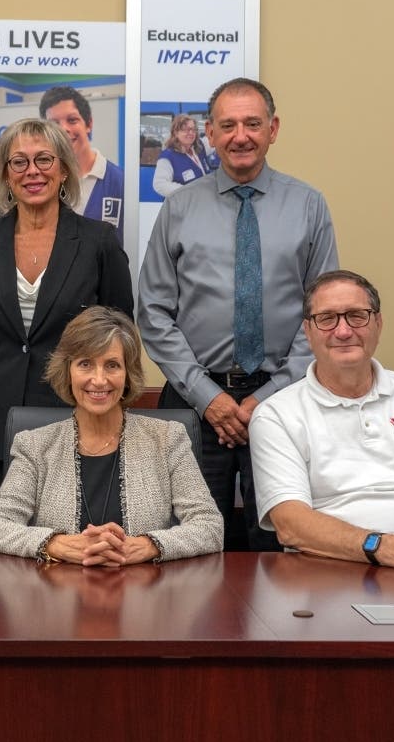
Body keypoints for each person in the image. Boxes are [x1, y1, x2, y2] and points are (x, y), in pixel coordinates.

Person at [138, 77, 339, 552]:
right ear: (210, 132)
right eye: (227, 125)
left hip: (286, 402)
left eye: (252, 123)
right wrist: (209, 398)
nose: (240, 135)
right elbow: (153, 311)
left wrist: (266, 398)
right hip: (193, 401)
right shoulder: (179, 207)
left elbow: (325, 312)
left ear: (273, 128)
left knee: (282, 547)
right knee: (184, 548)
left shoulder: (308, 205)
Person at [0, 118, 134, 551]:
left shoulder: (98, 242)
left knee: (68, 558)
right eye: (19, 162)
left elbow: (118, 331)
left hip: (72, 425)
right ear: (6, 176)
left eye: (44, 160)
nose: (33, 172)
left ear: (64, 169)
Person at [0, 307, 222, 565]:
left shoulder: (168, 439)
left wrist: (149, 546)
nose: (99, 379)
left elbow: (210, 526)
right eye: (85, 364)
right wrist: (57, 544)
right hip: (57, 598)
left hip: (144, 597)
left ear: (128, 374)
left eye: (112, 365)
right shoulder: (35, 446)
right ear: (67, 370)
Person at [250, 270, 394, 573]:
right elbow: (290, 524)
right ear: (307, 331)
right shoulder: (276, 415)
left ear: (378, 323)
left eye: (356, 316)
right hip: (338, 571)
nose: (343, 331)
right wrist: (387, 548)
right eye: (327, 318)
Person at [39, 86, 125, 243]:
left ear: (89, 123)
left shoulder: (121, 182)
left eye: (72, 120)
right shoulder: (38, 180)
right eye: (54, 123)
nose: (63, 129)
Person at [152, 114, 211, 197]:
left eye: (193, 129)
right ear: (176, 132)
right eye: (185, 130)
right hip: (184, 205)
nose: (191, 133)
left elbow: (216, 139)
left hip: (202, 201)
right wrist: (188, 192)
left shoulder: (199, 147)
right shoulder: (168, 156)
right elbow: (159, 184)